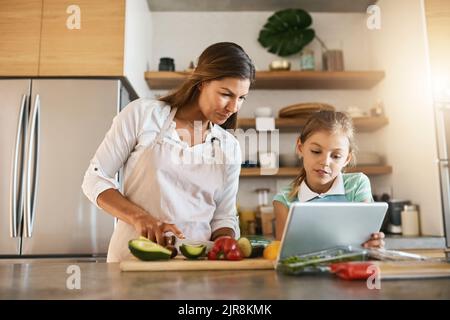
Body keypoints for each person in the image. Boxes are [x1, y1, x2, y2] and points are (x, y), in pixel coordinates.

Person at [82, 42, 255, 262]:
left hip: (198, 267)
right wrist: (140, 218)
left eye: (241, 98)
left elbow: (224, 216)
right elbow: (95, 178)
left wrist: (225, 243)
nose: (233, 108)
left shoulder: (229, 146)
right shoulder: (144, 115)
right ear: (201, 83)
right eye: (226, 94)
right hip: (133, 259)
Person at [273, 110, 385, 248]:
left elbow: (366, 241)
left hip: (351, 267)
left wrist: (372, 243)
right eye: (316, 151)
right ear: (300, 148)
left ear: (347, 159)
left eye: (336, 156)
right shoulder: (284, 200)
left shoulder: (357, 185)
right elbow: (283, 252)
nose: (325, 162)